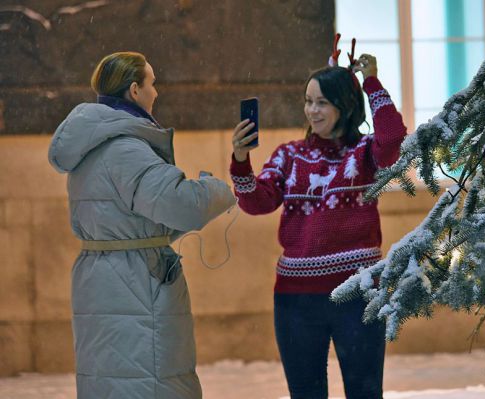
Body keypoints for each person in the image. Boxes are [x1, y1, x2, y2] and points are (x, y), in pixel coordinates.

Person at [48, 51, 236, 399]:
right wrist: (215, 190)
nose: (156, 91)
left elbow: (133, 222)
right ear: (134, 91)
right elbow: (183, 206)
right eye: (152, 83)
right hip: (136, 281)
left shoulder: (91, 148)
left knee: (110, 382)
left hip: (102, 278)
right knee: (148, 383)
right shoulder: (125, 149)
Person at [230, 47, 407, 399]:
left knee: (365, 392)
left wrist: (372, 82)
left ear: (345, 105)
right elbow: (256, 202)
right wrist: (240, 160)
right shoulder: (289, 155)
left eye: (322, 102)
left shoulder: (366, 153)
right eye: (308, 101)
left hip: (358, 293)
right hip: (296, 300)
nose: (312, 110)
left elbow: (393, 137)